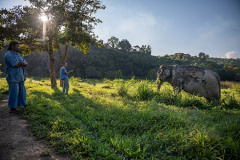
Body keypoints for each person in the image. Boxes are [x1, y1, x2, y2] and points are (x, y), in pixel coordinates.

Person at [4, 41, 28, 113]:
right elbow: (15, 65)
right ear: (12, 46)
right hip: (13, 76)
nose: (19, 47)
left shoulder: (19, 55)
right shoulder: (8, 55)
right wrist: (21, 63)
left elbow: (25, 63)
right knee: (14, 92)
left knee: (22, 91)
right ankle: (12, 108)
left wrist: (22, 63)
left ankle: (23, 104)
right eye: (17, 46)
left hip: (20, 76)